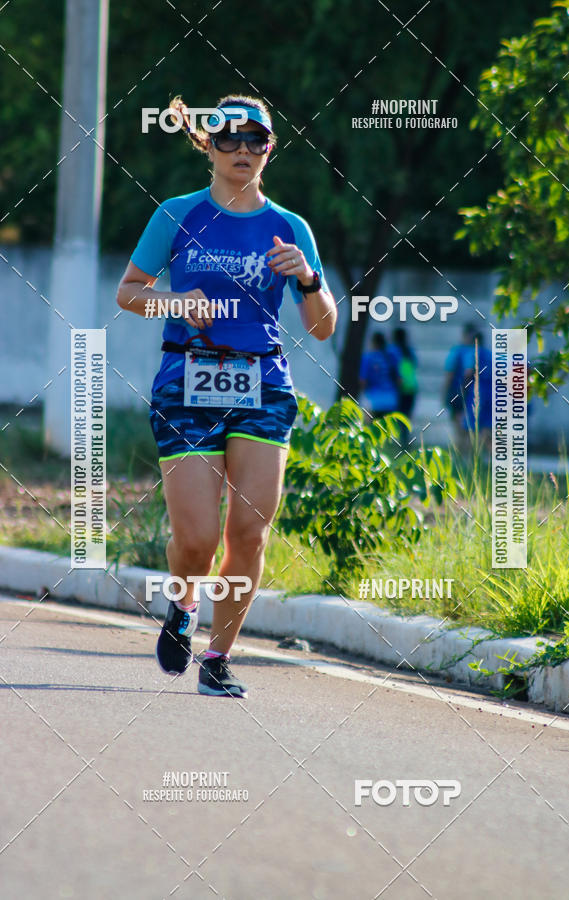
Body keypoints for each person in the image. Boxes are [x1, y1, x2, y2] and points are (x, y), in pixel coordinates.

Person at [116, 94, 337, 699]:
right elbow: (129, 292)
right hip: (187, 379)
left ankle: (218, 657)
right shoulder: (177, 214)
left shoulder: (289, 227)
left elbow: (322, 326)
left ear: (270, 149)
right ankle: (183, 604)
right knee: (196, 540)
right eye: (229, 140)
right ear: (208, 146)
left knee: (249, 533)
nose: (242, 151)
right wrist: (176, 303)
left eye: (255, 141)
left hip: (262, 381)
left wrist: (309, 279)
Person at [442, 322, 477, 447]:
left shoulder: (457, 351)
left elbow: (449, 374)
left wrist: (445, 393)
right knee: (469, 425)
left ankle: (461, 452)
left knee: (459, 425)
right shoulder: (480, 351)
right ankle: (469, 452)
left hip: (458, 391)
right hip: (475, 394)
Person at [461, 330, 493, 452]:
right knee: (487, 425)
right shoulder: (490, 354)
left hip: (478, 391)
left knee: (471, 425)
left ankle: (471, 456)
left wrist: (463, 390)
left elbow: (469, 372)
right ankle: (490, 455)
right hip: (492, 392)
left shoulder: (472, 353)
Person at [359, 332, 399, 418]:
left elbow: (363, 381)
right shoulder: (392, 356)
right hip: (391, 400)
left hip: (373, 400)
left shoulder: (368, 357)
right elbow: (399, 379)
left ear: (373, 342)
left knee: (373, 428)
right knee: (388, 428)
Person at [389, 327, 418, 420]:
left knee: (396, 416)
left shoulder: (392, 350)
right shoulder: (410, 351)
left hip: (398, 387)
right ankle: (406, 433)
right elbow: (415, 365)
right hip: (411, 386)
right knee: (406, 417)